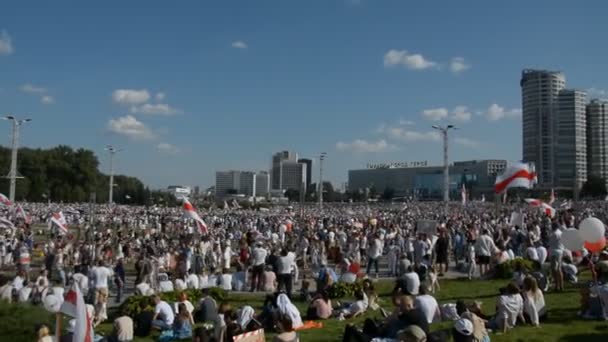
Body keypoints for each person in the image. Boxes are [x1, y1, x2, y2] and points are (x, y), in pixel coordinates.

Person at [549, 225, 565, 292]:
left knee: (554, 270)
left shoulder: (553, 234)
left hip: (554, 252)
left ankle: (557, 285)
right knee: (559, 269)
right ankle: (561, 285)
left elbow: (550, 243)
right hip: (560, 251)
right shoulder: (561, 233)